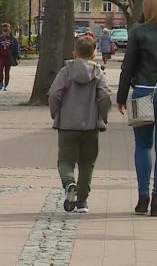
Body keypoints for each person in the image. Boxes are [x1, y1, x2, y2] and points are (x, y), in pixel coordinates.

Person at [117, 0, 157, 217]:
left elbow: (128, 66)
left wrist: (121, 96)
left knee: (142, 146)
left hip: (143, 92)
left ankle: (142, 197)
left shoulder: (138, 31)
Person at [49, 35, 111, 214]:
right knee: (87, 163)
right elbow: (105, 96)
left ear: (74, 52)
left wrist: (56, 113)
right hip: (91, 126)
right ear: (94, 54)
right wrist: (103, 116)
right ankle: (82, 201)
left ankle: (69, 183)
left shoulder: (66, 71)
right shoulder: (98, 73)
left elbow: (54, 93)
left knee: (65, 160)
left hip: (67, 125)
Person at [0, 23, 20, 91]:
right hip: (0, 57)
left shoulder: (13, 39)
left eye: (6, 30)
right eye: (4, 30)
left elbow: (16, 49)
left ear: (9, 30)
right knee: (0, 70)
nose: (5, 32)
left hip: (8, 57)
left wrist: (18, 57)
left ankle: (6, 85)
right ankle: (1, 83)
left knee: (7, 71)